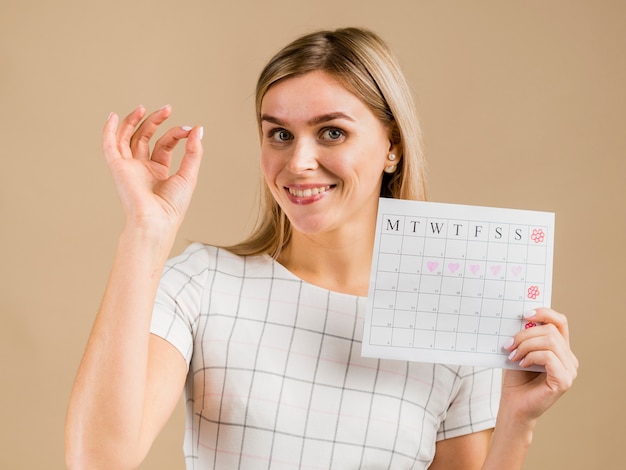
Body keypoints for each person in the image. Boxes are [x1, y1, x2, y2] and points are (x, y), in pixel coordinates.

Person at [65, 27, 578, 469]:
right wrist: (145, 232)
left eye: (332, 132)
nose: (300, 162)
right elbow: (98, 460)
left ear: (392, 147)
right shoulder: (202, 284)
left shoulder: (452, 318)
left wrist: (517, 422)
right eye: (280, 135)